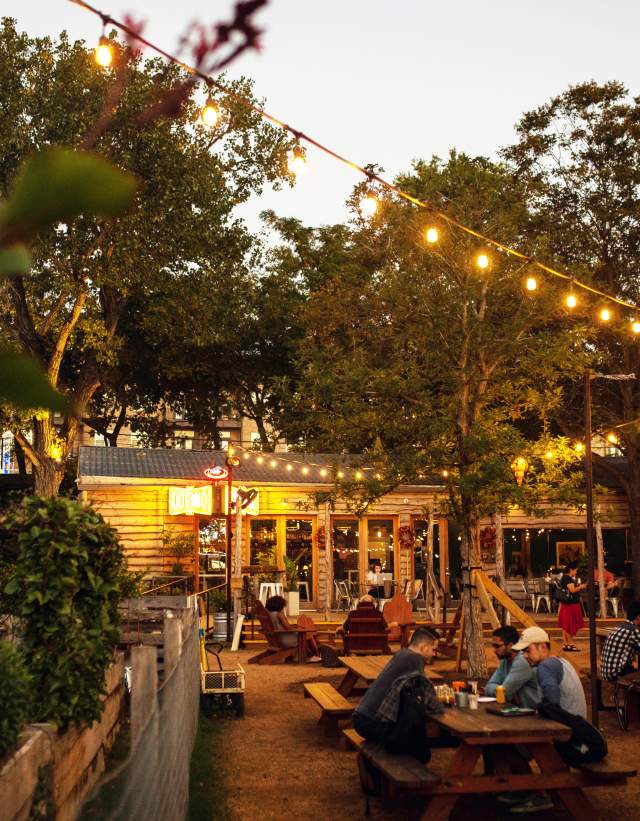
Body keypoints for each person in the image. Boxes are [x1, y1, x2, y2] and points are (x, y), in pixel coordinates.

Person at [506, 626, 587, 815]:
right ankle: (534, 790)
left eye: (528, 650)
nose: (525, 656)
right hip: (576, 729)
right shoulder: (560, 662)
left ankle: (534, 791)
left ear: (543, 647)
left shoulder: (546, 667)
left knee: (512, 745)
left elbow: (552, 705)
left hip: (569, 737)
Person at [353, 628, 443, 762]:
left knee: (415, 738)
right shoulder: (415, 660)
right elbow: (423, 696)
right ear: (423, 647)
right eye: (433, 649)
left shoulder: (403, 653)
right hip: (372, 723)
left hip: (361, 717)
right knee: (420, 749)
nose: (434, 654)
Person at [484, 625, 540, 708]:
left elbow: (504, 694)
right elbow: (489, 686)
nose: (494, 650)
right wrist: (501, 689)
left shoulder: (522, 661)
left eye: (497, 646)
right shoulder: (505, 660)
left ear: (510, 645)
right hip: (520, 711)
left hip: (535, 714)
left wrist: (501, 689)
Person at [264, 595, 321, 661]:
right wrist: (299, 629)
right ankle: (313, 656)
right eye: (283, 606)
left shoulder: (270, 615)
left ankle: (314, 655)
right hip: (286, 640)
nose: (283, 608)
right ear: (279, 605)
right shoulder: (279, 614)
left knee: (307, 634)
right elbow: (288, 627)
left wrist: (295, 626)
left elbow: (283, 626)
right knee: (307, 636)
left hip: (278, 638)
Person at [600, 600, 640, 682]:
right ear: (638, 617)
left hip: (605, 671)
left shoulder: (620, 626)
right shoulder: (633, 630)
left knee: (635, 666)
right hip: (615, 673)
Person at [557, 561, 585, 651]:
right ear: (571, 570)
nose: (576, 572)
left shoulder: (565, 577)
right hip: (570, 604)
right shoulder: (567, 578)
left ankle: (566, 644)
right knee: (569, 624)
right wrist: (581, 587)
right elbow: (572, 590)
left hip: (567, 604)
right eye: (575, 570)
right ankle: (571, 644)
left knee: (566, 625)